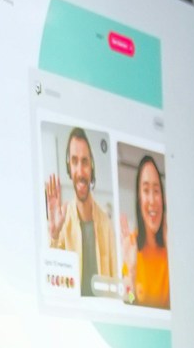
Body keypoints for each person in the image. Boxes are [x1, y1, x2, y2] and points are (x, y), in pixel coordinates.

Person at [43, 125, 118, 295]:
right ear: (69, 167)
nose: (80, 171)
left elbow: (115, 287)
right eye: (75, 161)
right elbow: (52, 283)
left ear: (91, 167)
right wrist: (54, 235)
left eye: (84, 162)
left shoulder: (106, 224)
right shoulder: (62, 222)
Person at [123, 152, 170, 309]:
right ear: (139, 198)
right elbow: (128, 299)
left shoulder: (171, 247)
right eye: (146, 190)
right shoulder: (131, 245)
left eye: (156, 191)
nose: (151, 200)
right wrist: (130, 274)